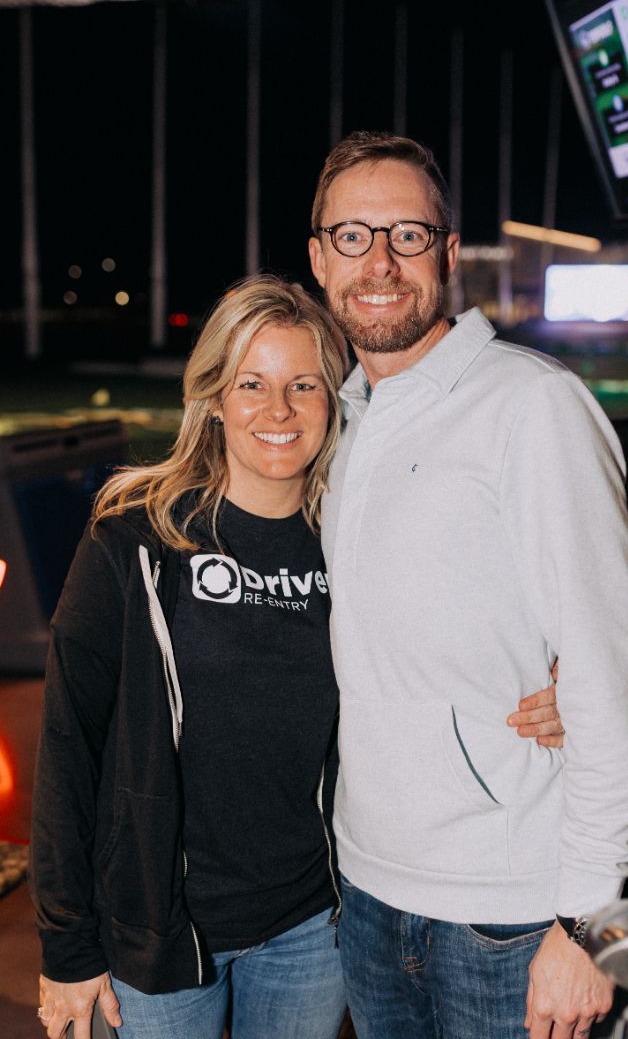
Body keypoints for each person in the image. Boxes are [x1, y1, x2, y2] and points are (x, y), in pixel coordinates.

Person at [30, 272, 557, 1039]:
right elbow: (67, 747)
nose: (277, 411)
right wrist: (67, 945)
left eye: (303, 385)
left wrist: (561, 672)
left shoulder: (356, 539)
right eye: (252, 383)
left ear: (333, 401)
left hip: (311, 925)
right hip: (157, 929)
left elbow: (474, 610)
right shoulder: (135, 542)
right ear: (214, 397)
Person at [307, 132, 628, 1039]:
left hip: (510, 916)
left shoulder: (531, 405)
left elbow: (610, 672)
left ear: (450, 252)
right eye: (352, 235)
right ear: (318, 257)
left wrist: (585, 918)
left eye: (408, 235)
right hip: (369, 892)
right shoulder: (340, 422)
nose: (379, 261)